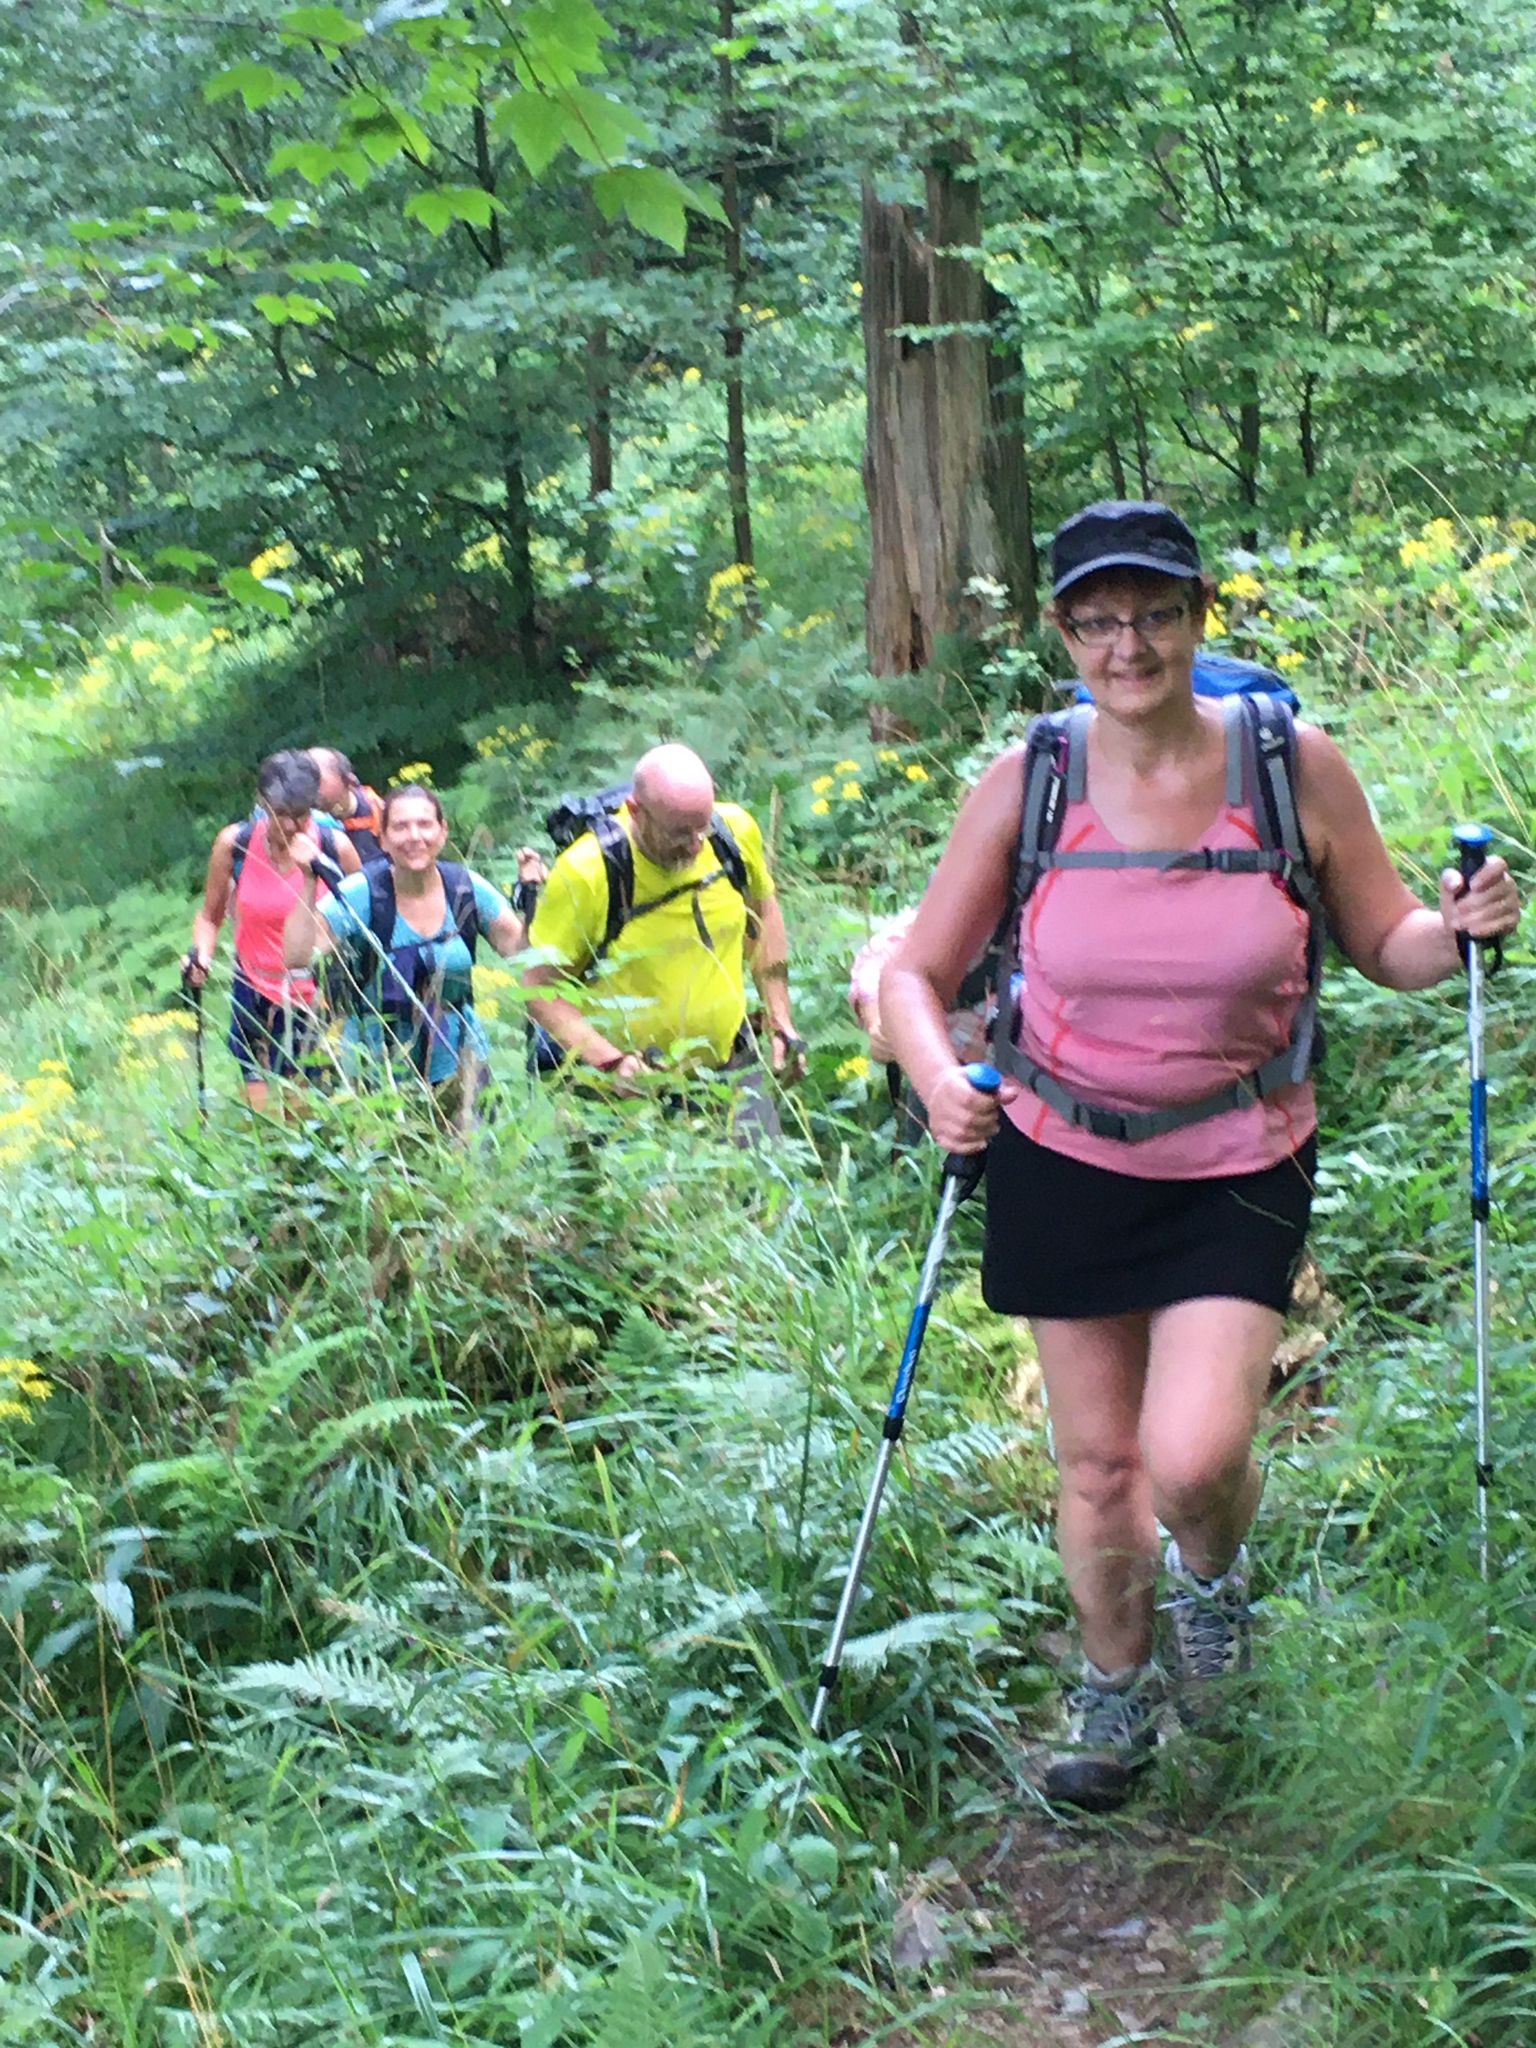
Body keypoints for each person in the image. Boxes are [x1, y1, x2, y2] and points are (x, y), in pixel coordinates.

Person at [880, 499, 1522, 1811]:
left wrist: (1460, 933)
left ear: (1196, 617)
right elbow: (915, 974)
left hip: (1239, 1155)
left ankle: (1213, 1581)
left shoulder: (1291, 767)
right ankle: (1113, 1692)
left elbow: (1386, 939)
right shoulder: (1029, 779)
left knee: (1191, 1457)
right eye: (1098, 621)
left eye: (1156, 614)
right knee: (1099, 1464)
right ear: (1064, 634)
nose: (1129, 645)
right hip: (1062, 1152)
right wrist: (941, 1078)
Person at [523, 743, 804, 1141]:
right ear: (636, 811)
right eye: (679, 834)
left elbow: (764, 915)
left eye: (702, 827)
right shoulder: (587, 872)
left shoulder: (734, 833)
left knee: (762, 1177)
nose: (696, 844)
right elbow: (539, 987)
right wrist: (610, 1062)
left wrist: (779, 1019)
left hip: (730, 1068)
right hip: (626, 1095)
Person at [282, 784, 535, 1129]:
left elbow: (520, 951)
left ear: (443, 832)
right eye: (400, 827)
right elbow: (297, 957)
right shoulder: (363, 893)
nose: (414, 836)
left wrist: (532, 896)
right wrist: (309, 881)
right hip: (378, 1071)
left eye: (424, 824)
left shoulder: (464, 888)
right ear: (383, 839)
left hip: (463, 1064)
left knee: (472, 1160)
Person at [183, 750, 364, 1110]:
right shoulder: (235, 844)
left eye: (301, 814)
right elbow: (210, 916)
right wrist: (201, 955)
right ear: (261, 803)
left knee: (305, 1115)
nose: (292, 826)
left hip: (316, 998)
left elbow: (364, 918)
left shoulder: (335, 848)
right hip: (253, 991)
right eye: (280, 814)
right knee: (262, 1118)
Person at [309, 746, 386, 863]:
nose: (308, 787)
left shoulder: (379, 812)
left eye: (316, 779)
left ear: (347, 780)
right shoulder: (304, 824)